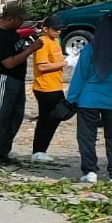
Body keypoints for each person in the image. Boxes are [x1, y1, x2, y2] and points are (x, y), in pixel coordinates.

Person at [68, 13, 112, 183]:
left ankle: (90, 172)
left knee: (86, 136)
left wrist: (71, 98)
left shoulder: (91, 48)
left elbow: (79, 76)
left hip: (88, 99)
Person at [0, 2, 42, 166]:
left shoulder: (13, 34)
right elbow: (9, 63)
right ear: (10, 18)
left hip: (16, 79)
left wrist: (28, 44)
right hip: (3, 77)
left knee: (15, 117)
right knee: (0, 117)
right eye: (20, 20)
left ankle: (2, 152)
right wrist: (31, 49)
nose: (22, 23)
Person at [30, 15, 68, 162]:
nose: (58, 31)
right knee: (47, 120)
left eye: (60, 29)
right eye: (55, 29)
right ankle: (38, 151)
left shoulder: (55, 41)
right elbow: (42, 66)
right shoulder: (43, 43)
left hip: (56, 86)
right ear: (45, 29)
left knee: (57, 117)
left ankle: (42, 150)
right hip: (45, 88)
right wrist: (65, 63)